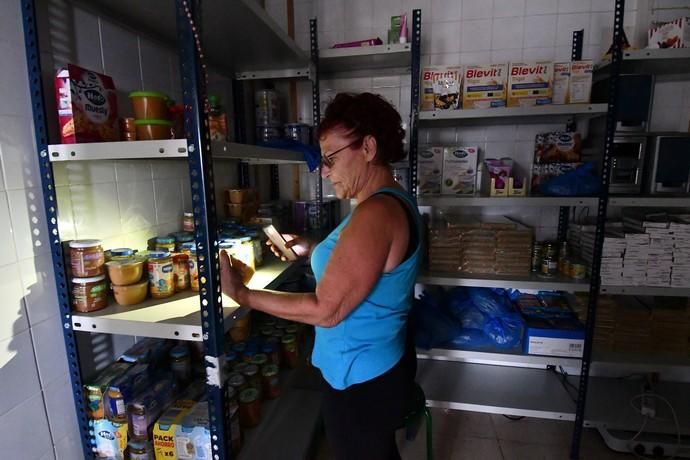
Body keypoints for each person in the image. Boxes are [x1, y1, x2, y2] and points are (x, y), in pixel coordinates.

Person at [220, 92, 423, 460]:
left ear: (369, 147)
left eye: (330, 158)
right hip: (377, 365)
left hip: (362, 379)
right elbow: (366, 264)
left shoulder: (376, 212)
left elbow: (326, 309)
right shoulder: (388, 200)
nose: (324, 171)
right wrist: (315, 248)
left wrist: (244, 295)